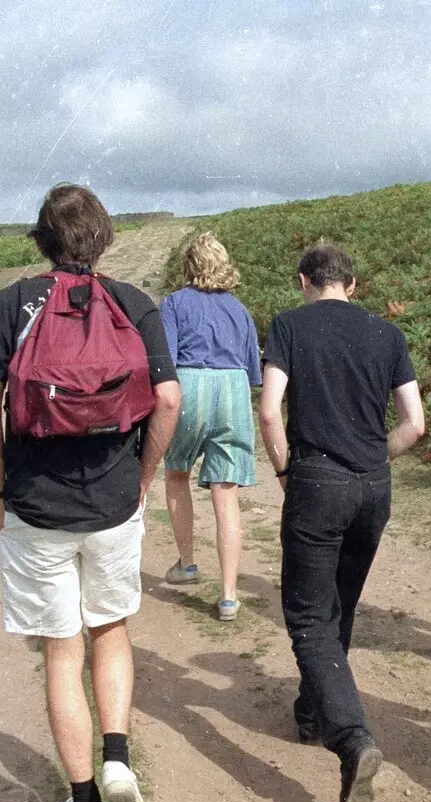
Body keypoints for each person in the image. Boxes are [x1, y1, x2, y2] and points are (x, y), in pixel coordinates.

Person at [0, 183, 181, 802]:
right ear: (104, 238)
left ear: (40, 239)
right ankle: (118, 758)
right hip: (114, 502)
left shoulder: (9, 306)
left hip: (35, 505)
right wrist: (142, 477)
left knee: (61, 651)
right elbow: (169, 401)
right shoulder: (133, 303)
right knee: (110, 630)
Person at [259, 243, 425, 802]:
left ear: (305, 280)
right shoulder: (388, 334)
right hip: (372, 486)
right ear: (353, 284)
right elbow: (415, 423)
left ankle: (352, 738)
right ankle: (314, 711)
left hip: (316, 481)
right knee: (339, 605)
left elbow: (271, 410)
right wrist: (375, 458)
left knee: (307, 615)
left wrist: (284, 469)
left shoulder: (288, 326)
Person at [159, 233, 261, 621]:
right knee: (226, 492)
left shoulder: (173, 303)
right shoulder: (240, 309)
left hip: (188, 383)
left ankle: (187, 563)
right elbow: (253, 371)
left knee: (176, 473)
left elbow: (164, 360)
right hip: (233, 387)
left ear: (189, 266)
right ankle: (230, 595)